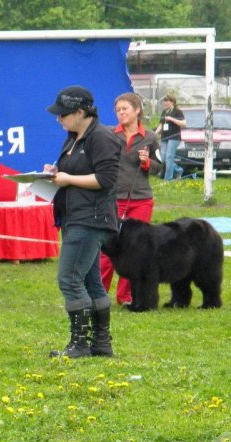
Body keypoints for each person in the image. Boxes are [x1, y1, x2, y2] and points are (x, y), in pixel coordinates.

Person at [45, 86, 120, 359]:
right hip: (74, 215)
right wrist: (55, 173)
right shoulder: (74, 136)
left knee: (69, 277)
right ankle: (101, 343)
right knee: (91, 281)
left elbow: (106, 179)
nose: (58, 119)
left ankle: (79, 344)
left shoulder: (102, 137)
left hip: (90, 218)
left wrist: (68, 179)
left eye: (63, 114)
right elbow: (76, 169)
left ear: (80, 112)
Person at [100, 92, 162, 305]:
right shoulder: (108, 134)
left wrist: (146, 163)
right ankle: (98, 293)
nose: (121, 113)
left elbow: (160, 168)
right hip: (113, 199)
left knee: (135, 249)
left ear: (137, 110)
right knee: (107, 247)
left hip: (142, 200)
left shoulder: (151, 137)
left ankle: (125, 296)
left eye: (125, 109)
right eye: (118, 110)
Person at [155, 94, 186, 181]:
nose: (165, 103)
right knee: (164, 159)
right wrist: (155, 133)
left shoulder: (178, 111)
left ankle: (168, 179)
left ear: (172, 102)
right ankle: (179, 170)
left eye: (167, 101)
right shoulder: (164, 112)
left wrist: (172, 119)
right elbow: (161, 125)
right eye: (164, 101)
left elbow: (184, 124)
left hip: (174, 137)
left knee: (169, 157)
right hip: (164, 137)